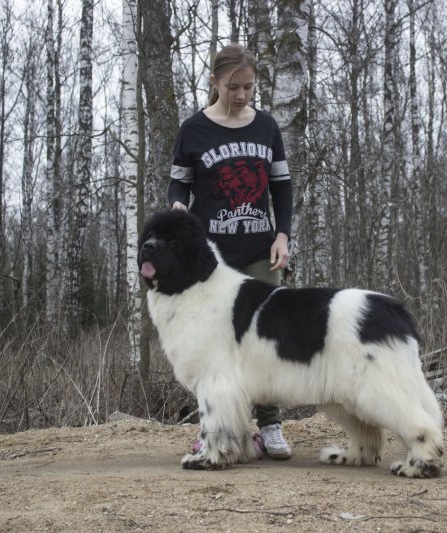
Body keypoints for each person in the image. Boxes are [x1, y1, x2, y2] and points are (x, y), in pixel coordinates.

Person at [167, 43, 293, 460]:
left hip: (260, 250)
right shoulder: (193, 129)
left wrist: (282, 235)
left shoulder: (267, 127)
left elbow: (281, 186)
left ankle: (271, 426)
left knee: (265, 337)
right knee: (214, 345)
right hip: (212, 258)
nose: (241, 95)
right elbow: (179, 182)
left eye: (249, 87)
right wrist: (178, 207)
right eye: (233, 87)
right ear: (215, 82)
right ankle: (217, 429)